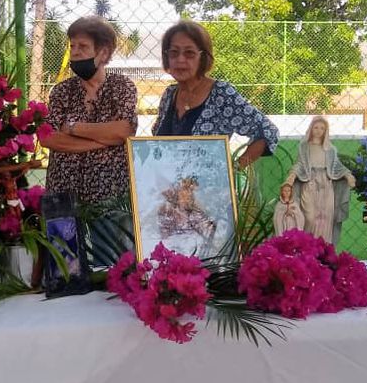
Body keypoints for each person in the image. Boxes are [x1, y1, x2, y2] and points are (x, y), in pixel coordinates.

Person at [41, 16, 138, 263]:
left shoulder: (121, 87)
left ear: (103, 53)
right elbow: (48, 137)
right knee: (65, 267)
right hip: (64, 187)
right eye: (72, 46)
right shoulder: (62, 91)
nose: (74, 53)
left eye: (82, 47)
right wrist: (102, 140)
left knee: (114, 264)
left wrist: (73, 127)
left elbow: (124, 130)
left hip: (109, 189)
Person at [153, 21, 280, 168]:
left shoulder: (221, 93)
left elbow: (268, 132)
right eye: (174, 52)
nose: (180, 59)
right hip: (168, 189)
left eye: (189, 53)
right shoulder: (169, 95)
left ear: (203, 58)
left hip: (209, 189)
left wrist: (235, 169)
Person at [284, 116, 356, 245]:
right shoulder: (304, 147)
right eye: (316, 127)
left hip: (326, 185)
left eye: (322, 128)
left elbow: (337, 166)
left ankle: (324, 250)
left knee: (326, 218)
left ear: (326, 131)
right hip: (309, 183)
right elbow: (300, 164)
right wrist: (292, 176)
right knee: (310, 217)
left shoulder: (331, 149)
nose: (318, 130)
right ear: (311, 128)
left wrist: (348, 175)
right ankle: (307, 247)